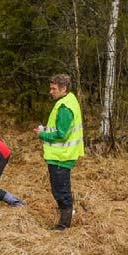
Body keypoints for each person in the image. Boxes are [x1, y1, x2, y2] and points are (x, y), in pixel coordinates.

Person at [34, 74, 85, 230]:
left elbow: (62, 134)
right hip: (60, 156)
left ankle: (64, 225)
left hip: (61, 157)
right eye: (51, 88)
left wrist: (42, 134)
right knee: (60, 189)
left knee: (61, 191)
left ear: (63, 88)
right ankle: (67, 216)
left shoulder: (64, 107)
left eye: (53, 88)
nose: (50, 91)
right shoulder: (67, 101)